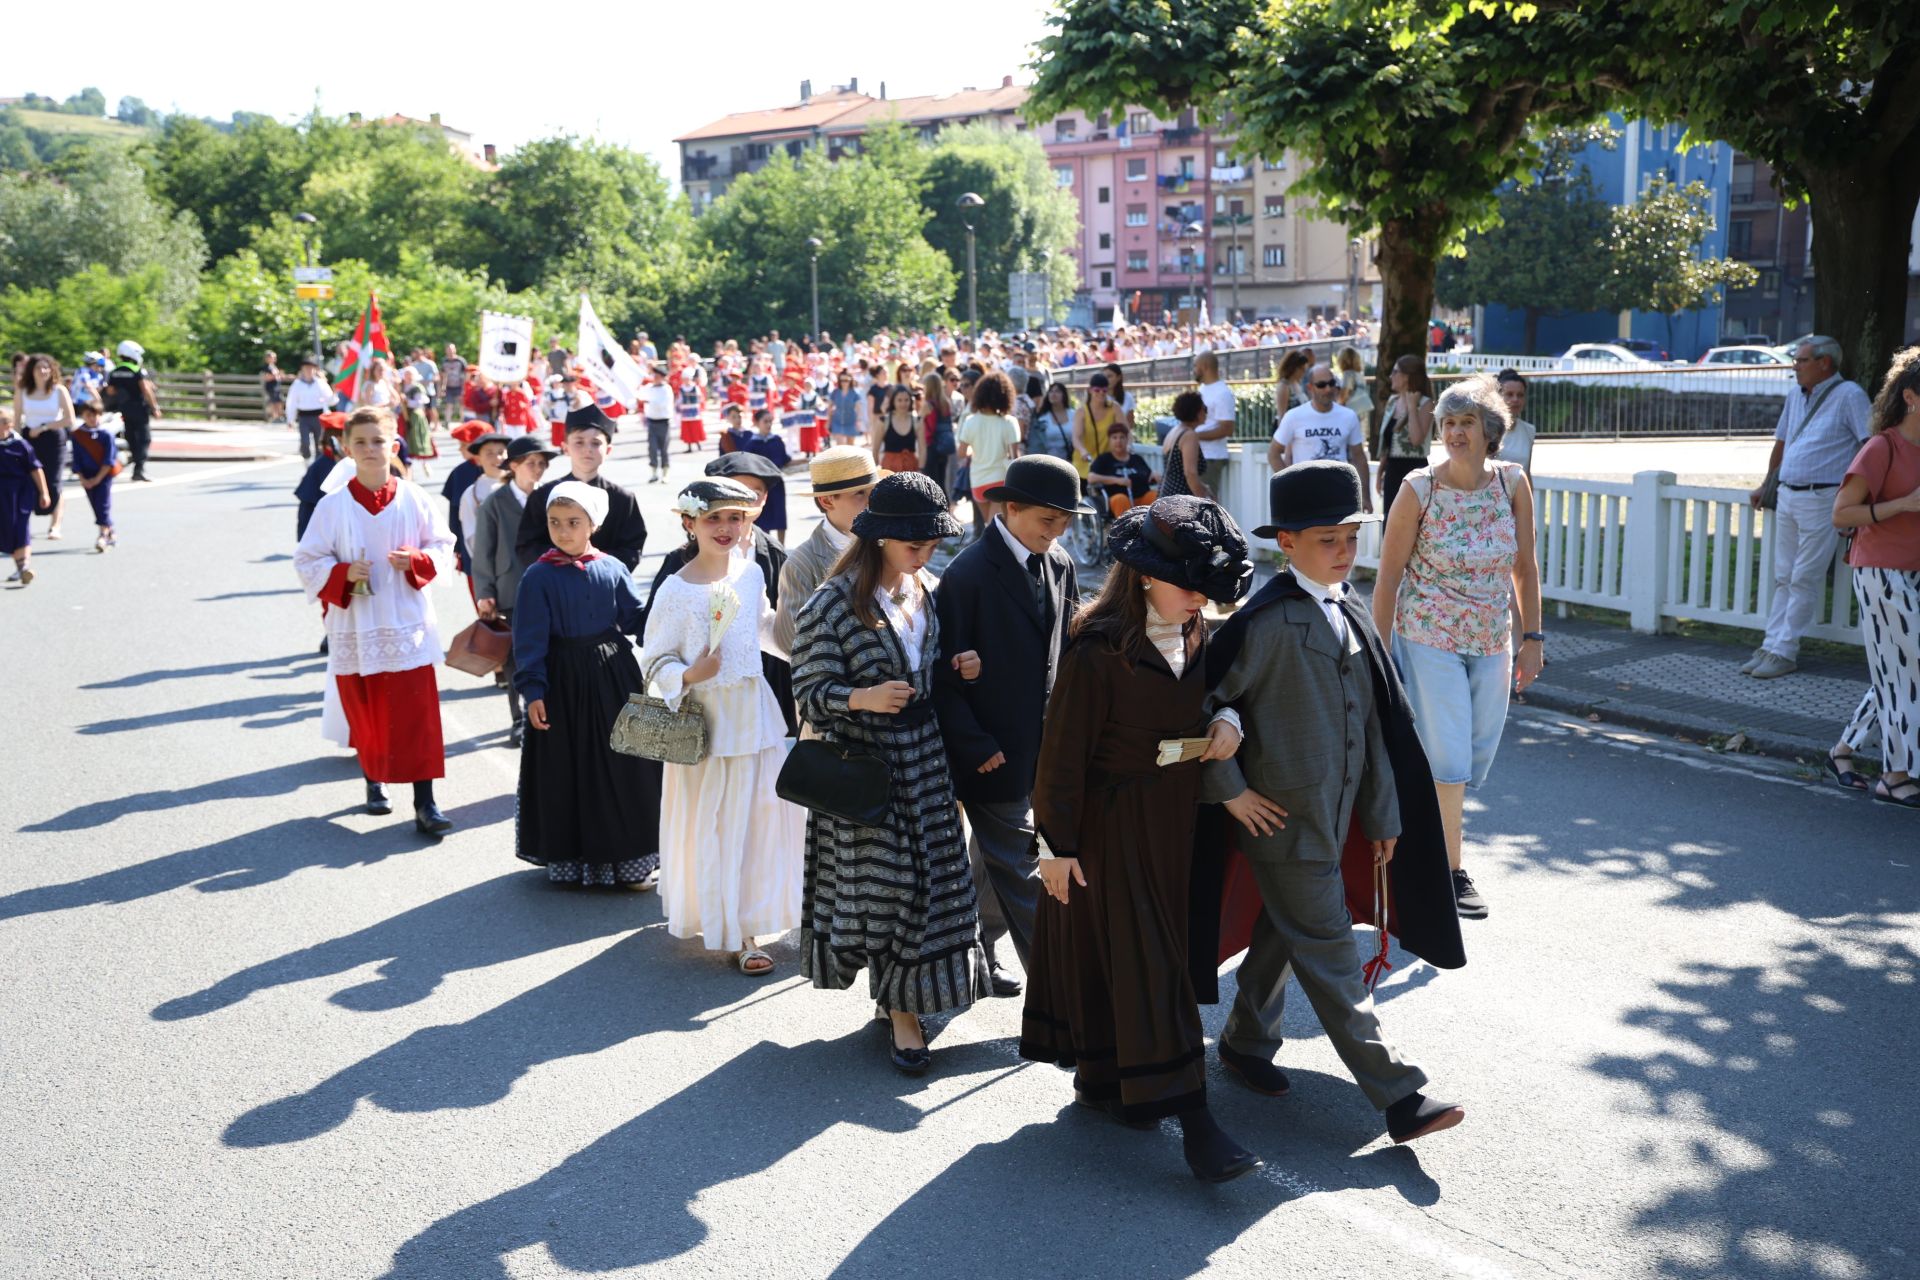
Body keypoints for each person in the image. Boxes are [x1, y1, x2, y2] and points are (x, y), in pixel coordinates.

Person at [1200, 458, 1468, 1147]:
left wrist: (1383, 819)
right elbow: (1204, 710)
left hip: (1339, 817)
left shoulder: (1352, 610)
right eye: (1327, 540)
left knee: (1288, 933)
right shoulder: (1262, 626)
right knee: (1331, 954)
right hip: (1282, 825)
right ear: (1285, 542)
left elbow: (1380, 726)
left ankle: (1244, 1040)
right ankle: (1400, 1095)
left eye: (1351, 537)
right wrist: (1233, 796)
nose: (1344, 552)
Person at [1021, 495, 1262, 1181]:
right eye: (1191, 586)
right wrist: (1055, 851)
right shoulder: (1098, 649)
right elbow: (1059, 759)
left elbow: (1210, 702)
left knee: (1128, 957)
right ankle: (1196, 1121)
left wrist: (1230, 726)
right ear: (1145, 574)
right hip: (1107, 830)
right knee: (1155, 965)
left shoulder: (1193, 632)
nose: (1201, 601)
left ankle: (1106, 1081)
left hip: (1174, 822)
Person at [790, 470, 987, 1072]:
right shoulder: (831, 602)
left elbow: (930, 672)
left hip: (926, 760)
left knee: (936, 889)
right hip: (867, 770)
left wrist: (960, 665)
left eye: (932, 545)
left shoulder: (926, 589)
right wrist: (860, 698)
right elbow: (807, 689)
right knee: (891, 895)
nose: (926, 556)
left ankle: (904, 1004)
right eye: (914, 545)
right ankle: (903, 1017)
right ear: (880, 539)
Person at [1371, 374, 1542, 920]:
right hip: (1428, 635)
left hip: (1491, 639)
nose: (1455, 432)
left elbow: (1524, 567)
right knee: (1448, 761)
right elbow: (1388, 578)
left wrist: (1532, 638)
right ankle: (1448, 873)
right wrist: (1380, 654)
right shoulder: (1418, 489)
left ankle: (1406, 842)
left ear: (1491, 429)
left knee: (1472, 755)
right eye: (1447, 423)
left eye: (1467, 422)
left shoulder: (1512, 483)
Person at [934, 454, 1087, 996]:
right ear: (1011, 507)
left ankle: (980, 950)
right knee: (1024, 864)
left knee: (994, 860)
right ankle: (1062, 990)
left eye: (1065, 521)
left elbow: (1065, 650)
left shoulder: (1061, 562)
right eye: (1048, 520)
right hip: (990, 748)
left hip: (1042, 743)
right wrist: (976, 744)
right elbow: (942, 673)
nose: (1057, 531)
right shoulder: (968, 574)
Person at [639, 477, 804, 975]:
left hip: (755, 712)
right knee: (721, 823)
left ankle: (761, 913)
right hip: (708, 723)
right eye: (714, 518)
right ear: (689, 523)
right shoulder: (675, 588)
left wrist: (806, 650)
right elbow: (652, 663)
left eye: (736, 517)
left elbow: (760, 628)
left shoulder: (751, 573)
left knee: (763, 818)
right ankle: (738, 932)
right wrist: (689, 674)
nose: (727, 527)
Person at [293, 407, 458, 836]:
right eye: (361, 442)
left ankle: (426, 802)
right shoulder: (332, 507)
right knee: (368, 710)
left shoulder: (414, 497)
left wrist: (417, 561)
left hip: (407, 622)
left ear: (395, 445)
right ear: (345, 448)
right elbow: (307, 558)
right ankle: (374, 781)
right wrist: (342, 573)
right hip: (357, 625)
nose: (370, 449)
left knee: (417, 715)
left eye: (378, 441)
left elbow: (444, 545)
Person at [512, 479, 665, 887]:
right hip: (563, 681)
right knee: (569, 766)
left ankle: (630, 860)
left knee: (625, 764)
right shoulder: (538, 577)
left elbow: (636, 621)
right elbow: (529, 640)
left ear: (592, 524)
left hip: (613, 675)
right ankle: (573, 860)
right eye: (555, 522)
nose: (563, 531)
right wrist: (533, 691)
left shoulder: (612, 568)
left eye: (573, 522)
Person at [1745, 335, 1874, 680]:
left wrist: (1856, 500)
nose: (1795, 366)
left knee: (1803, 577)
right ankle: (1771, 644)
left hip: (1822, 498)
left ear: (1824, 363)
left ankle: (1785, 651)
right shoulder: (1794, 395)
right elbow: (1783, 442)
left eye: (1801, 360)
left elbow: (1868, 448)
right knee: (1783, 575)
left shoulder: (1850, 396)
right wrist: (1766, 483)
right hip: (1788, 494)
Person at [1831, 347, 1920, 809]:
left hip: (1916, 572)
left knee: (1897, 669)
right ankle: (1895, 774)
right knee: (1910, 668)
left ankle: (1844, 751)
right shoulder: (1881, 447)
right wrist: (1902, 505)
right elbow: (1841, 513)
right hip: (1880, 570)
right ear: (1911, 397)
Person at [473, 435, 558, 747]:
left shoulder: (550, 497)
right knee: (515, 659)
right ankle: (519, 719)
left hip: (549, 586)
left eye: (541, 464)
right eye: (530, 463)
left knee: (551, 652)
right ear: (513, 466)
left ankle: (547, 711)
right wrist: (485, 590)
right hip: (511, 587)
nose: (536, 469)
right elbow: (483, 550)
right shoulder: (496, 502)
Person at [772, 446, 880, 658]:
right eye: (860, 493)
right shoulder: (801, 564)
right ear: (827, 500)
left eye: (874, 492)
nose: (871, 501)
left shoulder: (887, 542)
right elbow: (792, 641)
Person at [516, 405, 647, 572]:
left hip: (604, 583)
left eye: (596, 443)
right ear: (565, 448)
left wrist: (595, 565)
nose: (587, 450)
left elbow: (632, 549)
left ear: (608, 449)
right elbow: (526, 546)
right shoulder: (543, 495)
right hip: (555, 585)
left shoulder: (623, 499)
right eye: (579, 442)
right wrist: (563, 564)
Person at [1269, 363, 1373, 510]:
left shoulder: (1348, 416)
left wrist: (1366, 496)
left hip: (1339, 492)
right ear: (1310, 388)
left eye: (1331, 383)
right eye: (1322, 385)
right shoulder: (1294, 416)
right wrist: (1289, 483)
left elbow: (1359, 456)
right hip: (1305, 494)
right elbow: (1273, 453)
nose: (1328, 389)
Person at [957, 370, 1023, 533]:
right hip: (1000, 479)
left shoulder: (970, 421)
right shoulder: (1009, 422)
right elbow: (1015, 456)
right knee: (998, 530)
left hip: (978, 480)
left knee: (992, 527)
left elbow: (961, 453)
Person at [16, 354, 73, 540]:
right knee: (27, 482)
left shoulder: (59, 391)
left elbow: (69, 419)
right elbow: (16, 420)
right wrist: (15, 442)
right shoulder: (23, 391)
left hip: (53, 438)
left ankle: (55, 525)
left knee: (54, 481)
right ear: (31, 371)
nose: (43, 371)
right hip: (28, 438)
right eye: (38, 368)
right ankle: (23, 525)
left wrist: (44, 427)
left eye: (46, 368)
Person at [1375, 354, 1434, 522]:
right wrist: (1380, 473)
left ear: (1407, 376)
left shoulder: (1425, 403)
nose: (1390, 376)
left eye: (1395, 372)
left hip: (1415, 470)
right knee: (1390, 521)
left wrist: (1412, 407)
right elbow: (1387, 444)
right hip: (1393, 471)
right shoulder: (1392, 402)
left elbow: (1416, 440)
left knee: (1413, 523)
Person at [0, 408, 50, 584]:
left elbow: (36, 468)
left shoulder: (20, 445)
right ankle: (20, 568)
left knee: (21, 525)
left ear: (9, 425)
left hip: (20, 491)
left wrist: (44, 492)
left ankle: (24, 566)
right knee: (7, 528)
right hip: (1, 492)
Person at [103, 340, 161, 483]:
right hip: (139, 409)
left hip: (124, 409)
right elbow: (146, 390)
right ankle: (139, 470)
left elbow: (110, 391)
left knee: (131, 437)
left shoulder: (115, 371)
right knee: (144, 439)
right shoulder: (137, 370)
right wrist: (155, 408)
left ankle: (136, 464)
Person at [68, 400, 118, 553]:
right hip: (87, 475)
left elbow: (109, 460)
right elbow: (76, 458)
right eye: (88, 415)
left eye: (96, 415)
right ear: (82, 416)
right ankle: (110, 530)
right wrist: (82, 477)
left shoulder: (106, 434)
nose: (92, 418)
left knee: (103, 503)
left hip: (103, 475)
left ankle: (102, 535)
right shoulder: (78, 435)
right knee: (95, 505)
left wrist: (98, 478)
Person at [738, 410, 792, 543]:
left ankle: (781, 546)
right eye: (765, 421)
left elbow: (785, 460)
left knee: (780, 516)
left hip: (777, 484)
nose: (769, 424)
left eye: (770, 421)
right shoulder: (752, 444)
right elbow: (746, 466)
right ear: (757, 423)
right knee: (763, 517)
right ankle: (765, 545)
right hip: (760, 487)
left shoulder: (777, 440)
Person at [1087, 422, 1159, 517]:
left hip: (1141, 498)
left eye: (1122, 437)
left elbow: (1148, 475)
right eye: (1115, 437)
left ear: (1127, 440)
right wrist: (1117, 480)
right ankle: (1126, 529)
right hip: (1117, 500)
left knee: (1155, 495)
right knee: (1121, 499)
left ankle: (1154, 528)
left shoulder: (1136, 459)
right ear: (1109, 440)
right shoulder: (1103, 459)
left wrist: (1154, 475)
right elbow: (1091, 478)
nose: (1118, 441)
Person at [1159, 390, 1211, 501]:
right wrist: (1205, 501)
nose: (1206, 412)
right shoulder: (1189, 435)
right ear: (1196, 412)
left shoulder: (1174, 431)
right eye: (1204, 409)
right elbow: (1190, 473)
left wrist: (1204, 487)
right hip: (1182, 499)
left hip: (1167, 495)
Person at [1192, 352, 1236, 479]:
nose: (1193, 370)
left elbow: (1227, 429)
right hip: (1200, 454)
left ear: (1204, 366)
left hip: (1212, 457)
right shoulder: (1203, 388)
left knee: (1205, 498)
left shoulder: (1222, 393)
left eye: (1195, 366)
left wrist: (1194, 436)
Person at [1069, 373, 1120, 480]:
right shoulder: (1082, 412)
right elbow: (1076, 437)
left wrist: (1128, 446)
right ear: (1090, 390)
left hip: (1106, 464)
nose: (1101, 393)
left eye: (1104, 390)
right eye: (1097, 390)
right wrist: (1083, 451)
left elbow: (1125, 430)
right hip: (1085, 465)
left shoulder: (1114, 408)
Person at [286, 359, 335, 462]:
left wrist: (332, 393)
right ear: (302, 370)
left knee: (319, 443)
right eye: (306, 368)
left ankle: (317, 465)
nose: (309, 371)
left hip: (318, 415)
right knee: (305, 442)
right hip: (304, 417)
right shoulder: (297, 384)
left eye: (311, 368)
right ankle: (307, 461)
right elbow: (292, 402)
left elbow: (331, 400)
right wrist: (290, 419)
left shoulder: (320, 383)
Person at [874, 385, 925, 474]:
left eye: (906, 400)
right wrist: (876, 469)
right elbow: (875, 449)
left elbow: (922, 448)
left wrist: (921, 469)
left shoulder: (917, 421)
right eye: (899, 400)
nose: (903, 404)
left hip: (911, 469)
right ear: (893, 401)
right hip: (888, 469)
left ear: (911, 401)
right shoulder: (883, 421)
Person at [1493, 369, 1536, 476]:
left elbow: (1527, 473)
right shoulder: (1486, 429)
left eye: (1520, 395)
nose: (1515, 399)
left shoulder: (1529, 430)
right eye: (1509, 394)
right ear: (1498, 397)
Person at [1027, 382, 1075, 464]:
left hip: (1070, 460)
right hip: (1048, 462)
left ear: (1064, 394)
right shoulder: (1042, 418)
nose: (1053, 394)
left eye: (1057, 391)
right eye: (1051, 391)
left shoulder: (1074, 414)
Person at [643, 365, 674, 484]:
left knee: (664, 448)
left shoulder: (666, 389)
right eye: (654, 375)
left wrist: (649, 401)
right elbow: (640, 395)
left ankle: (665, 473)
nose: (654, 378)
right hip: (652, 421)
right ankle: (654, 473)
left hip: (663, 421)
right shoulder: (649, 388)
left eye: (657, 376)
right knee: (652, 448)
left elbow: (662, 404)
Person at [1335, 346, 1372, 424]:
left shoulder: (1348, 374)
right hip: (1362, 411)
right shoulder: (1359, 375)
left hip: (1351, 413)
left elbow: (1343, 397)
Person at [827, 369, 863, 448]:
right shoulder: (835, 392)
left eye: (846, 380)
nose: (844, 382)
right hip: (837, 421)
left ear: (850, 381)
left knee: (850, 447)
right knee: (840, 447)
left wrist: (859, 421)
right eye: (842, 380)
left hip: (851, 421)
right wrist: (828, 421)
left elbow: (859, 408)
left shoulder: (855, 393)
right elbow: (830, 407)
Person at [439, 344, 468, 422]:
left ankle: (463, 421)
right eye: (448, 350)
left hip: (460, 386)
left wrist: (465, 387)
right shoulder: (444, 361)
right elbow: (442, 375)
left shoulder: (461, 360)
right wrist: (442, 388)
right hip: (449, 386)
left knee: (461, 405)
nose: (450, 351)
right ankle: (447, 422)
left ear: (455, 350)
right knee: (449, 405)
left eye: (451, 349)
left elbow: (466, 374)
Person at [260, 351, 285, 424]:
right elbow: (267, 377)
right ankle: (275, 417)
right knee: (274, 403)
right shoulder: (266, 367)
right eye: (272, 357)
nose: (274, 358)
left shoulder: (273, 366)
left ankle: (279, 417)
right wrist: (277, 375)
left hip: (276, 387)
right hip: (271, 387)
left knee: (279, 402)